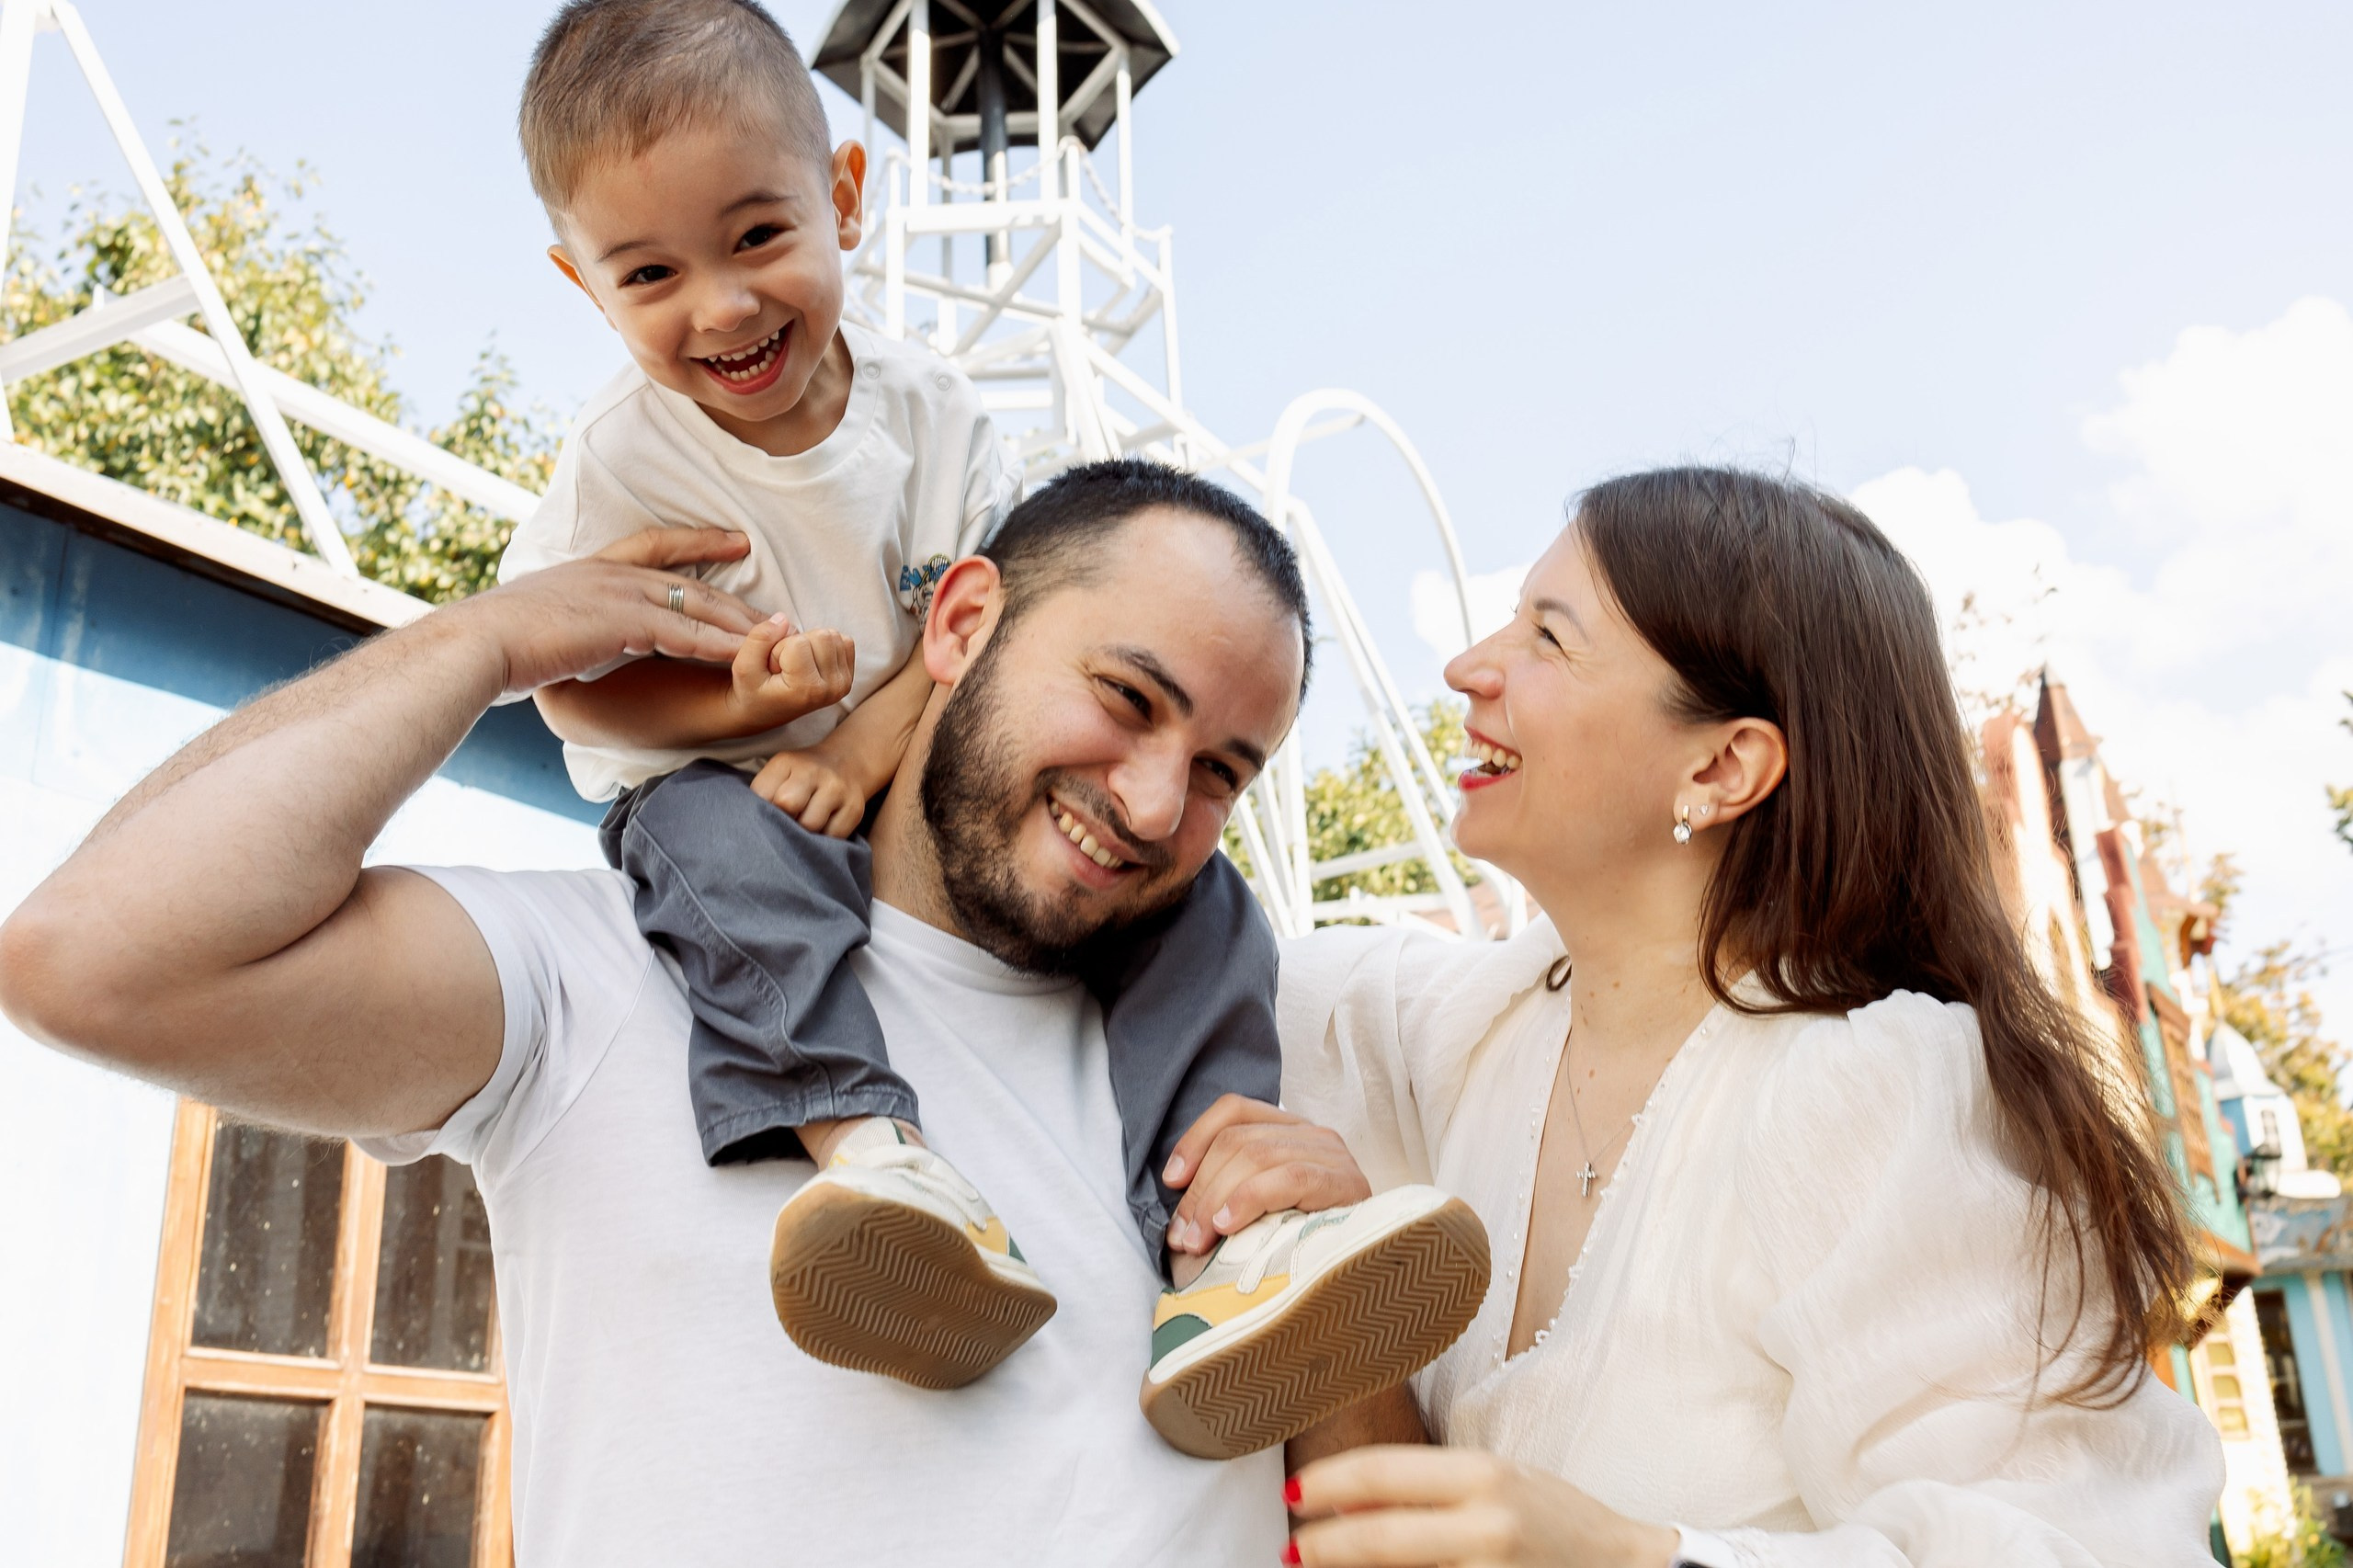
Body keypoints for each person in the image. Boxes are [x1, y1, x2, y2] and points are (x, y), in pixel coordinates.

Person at [0, 465, 1490, 1560]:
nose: (1163, 801)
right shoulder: (604, 969)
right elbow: (93, 959)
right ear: (960, 622)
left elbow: (1391, 1541)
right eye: (1126, 697)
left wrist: (1344, 1319)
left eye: (1227, 769)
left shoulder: (1220, 1077)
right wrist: (486, 645)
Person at [499, 0, 1480, 1431]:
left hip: (890, 758)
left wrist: (849, 745)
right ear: (582, 283)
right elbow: (559, 667)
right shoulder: (623, 457)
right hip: (715, 777)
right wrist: (729, 699)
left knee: (1209, 905)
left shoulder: (930, 410)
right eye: (650, 272)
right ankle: (872, 1155)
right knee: (716, 855)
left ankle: (1227, 1232)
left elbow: (975, 625)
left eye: (760, 238)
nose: (721, 306)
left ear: (844, 195)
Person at [1257, 468, 2224, 1566]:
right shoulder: (1457, 1028)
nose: (1468, 667)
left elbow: (2084, 1547)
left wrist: (1636, 1554)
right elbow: (1171, 948)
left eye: (1547, 637)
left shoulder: (1869, 1093)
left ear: (1722, 764)